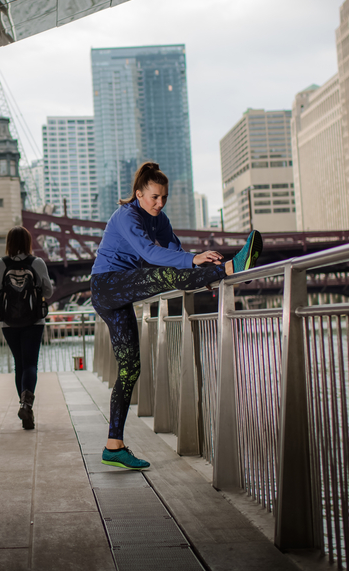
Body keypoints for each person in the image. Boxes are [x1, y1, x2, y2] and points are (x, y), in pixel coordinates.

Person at [91, 162, 263, 470]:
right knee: (165, 276)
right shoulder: (126, 216)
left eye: (164, 198)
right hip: (107, 286)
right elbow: (151, 254)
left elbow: (174, 252)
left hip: (122, 291)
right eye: (154, 197)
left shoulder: (160, 219)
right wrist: (198, 262)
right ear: (139, 194)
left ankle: (113, 447)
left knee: (130, 369)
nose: (159, 203)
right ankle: (231, 268)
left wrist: (195, 261)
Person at [0, 226, 53, 430]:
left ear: (8, 243)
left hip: (8, 322)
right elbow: (49, 292)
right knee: (30, 365)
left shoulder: (0, 263)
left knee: (19, 364)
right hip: (34, 321)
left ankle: (25, 407)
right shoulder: (37, 263)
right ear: (28, 242)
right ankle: (27, 405)